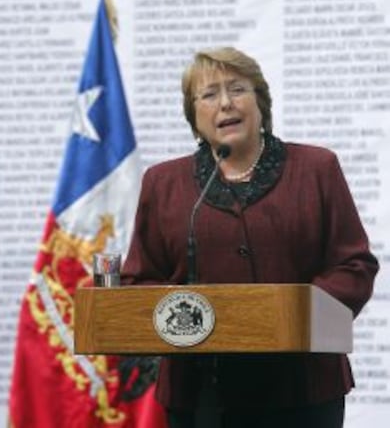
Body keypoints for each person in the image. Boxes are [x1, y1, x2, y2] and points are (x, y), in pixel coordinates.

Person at [121, 47, 379, 428]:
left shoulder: (316, 168)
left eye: (238, 89)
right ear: (194, 115)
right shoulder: (163, 184)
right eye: (209, 95)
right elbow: (138, 281)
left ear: (260, 103)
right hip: (200, 395)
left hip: (302, 388)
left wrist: (293, 315)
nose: (225, 103)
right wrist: (189, 320)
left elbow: (353, 266)